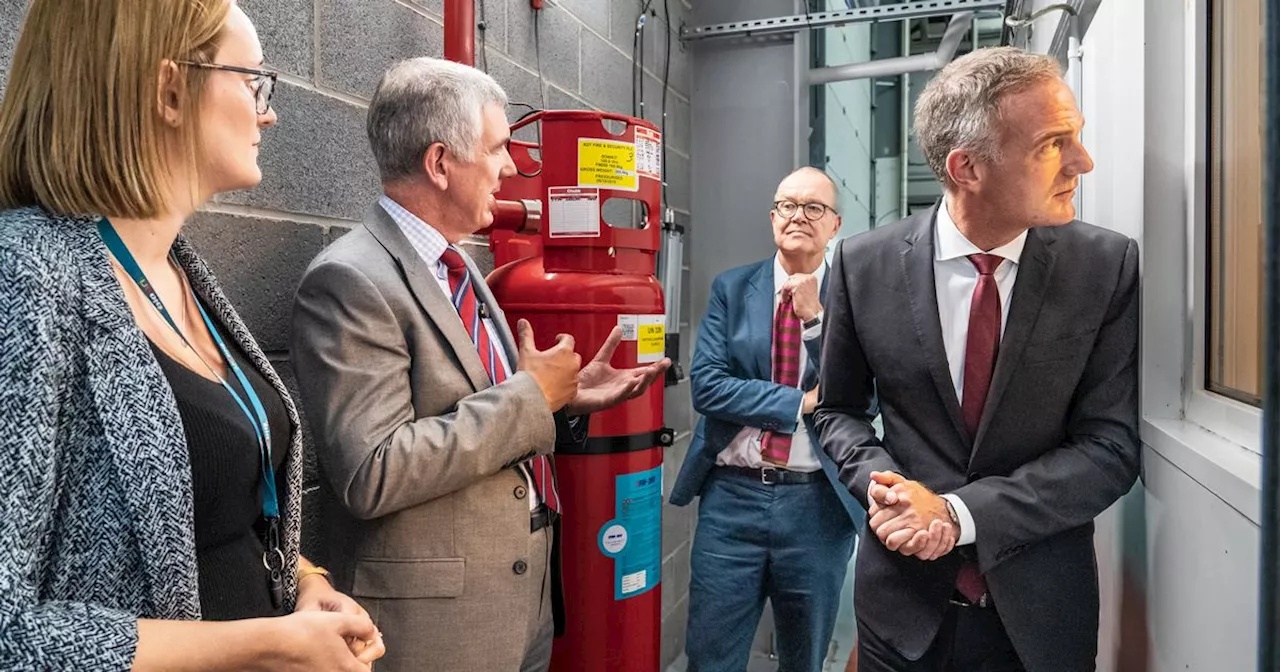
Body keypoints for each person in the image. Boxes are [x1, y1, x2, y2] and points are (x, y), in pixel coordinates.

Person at [0, 1, 385, 669]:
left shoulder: (179, 269)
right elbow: (10, 628)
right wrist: (262, 644)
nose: (269, 111)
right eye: (252, 80)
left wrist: (307, 585)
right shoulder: (27, 274)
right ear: (169, 90)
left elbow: (221, 513)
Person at [290, 56, 669, 672]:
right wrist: (530, 397)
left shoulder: (458, 269)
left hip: (520, 607)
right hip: (438, 629)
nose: (512, 166)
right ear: (440, 163)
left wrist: (564, 401)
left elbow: (492, 417)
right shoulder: (350, 279)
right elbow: (372, 472)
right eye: (497, 148)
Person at [814, 46, 1139, 672]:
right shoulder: (863, 264)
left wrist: (959, 514)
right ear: (967, 168)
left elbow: (1110, 445)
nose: (1083, 162)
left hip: (1040, 615)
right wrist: (886, 489)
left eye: (1078, 138)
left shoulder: (1105, 267)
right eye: (1052, 144)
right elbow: (838, 412)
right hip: (900, 612)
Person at [670, 167, 861, 672]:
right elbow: (707, 387)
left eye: (814, 207)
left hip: (816, 507)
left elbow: (860, 398)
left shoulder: (855, 299)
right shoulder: (733, 289)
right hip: (732, 501)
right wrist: (797, 403)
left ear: (835, 224)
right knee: (711, 658)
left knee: (804, 658)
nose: (799, 216)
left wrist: (817, 321)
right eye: (788, 205)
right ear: (773, 217)